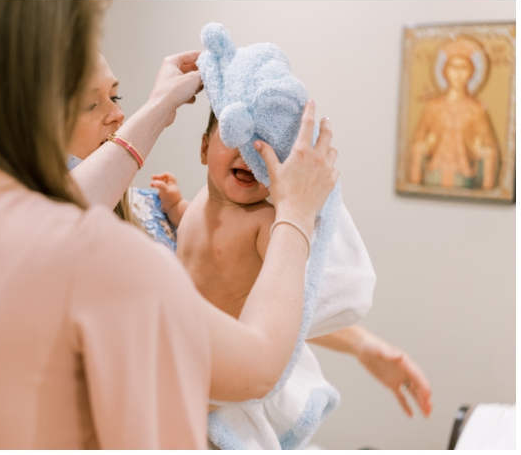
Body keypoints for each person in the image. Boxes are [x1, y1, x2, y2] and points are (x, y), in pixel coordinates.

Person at [0, 0, 340, 449]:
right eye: (91, 98)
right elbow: (257, 367)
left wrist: (159, 109)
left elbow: (35, 221)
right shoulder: (103, 264)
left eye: (116, 97)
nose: (113, 114)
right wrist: (296, 212)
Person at [152, 115, 436, 419]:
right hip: (173, 356)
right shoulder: (202, 198)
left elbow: (290, 297)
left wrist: (362, 343)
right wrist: (175, 206)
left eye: (271, 147)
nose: (251, 154)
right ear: (204, 148)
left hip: (217, 367)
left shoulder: (266, 223)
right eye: (235, 133)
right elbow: (196, 231)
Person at [405, 37, 502, 189]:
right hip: (435, 171)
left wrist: (481, 151)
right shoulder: (433, 107)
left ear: (471, 73)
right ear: (444, 71)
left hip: (463, 174)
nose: (458, 73)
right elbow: (418, 141)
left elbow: (489, 147)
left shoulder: (476, 110)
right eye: (453, 67)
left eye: (463, 68)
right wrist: (425, 145)